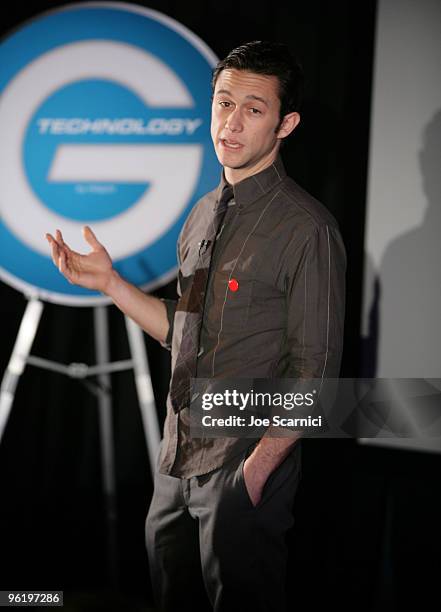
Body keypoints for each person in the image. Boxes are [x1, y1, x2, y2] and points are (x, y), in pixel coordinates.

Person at [46, 41, 346, 611]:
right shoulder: (203, 212)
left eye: (253, 109)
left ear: (286, 124)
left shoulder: (307, 228)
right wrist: (112, 285)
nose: (231, 124)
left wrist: (256, 471)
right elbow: (179, 332)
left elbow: (315, 374)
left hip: (242, 466)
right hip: (175, 460)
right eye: (224, 103)